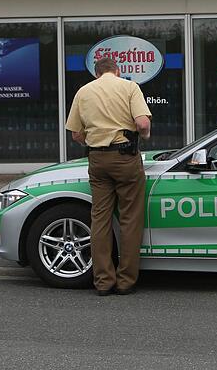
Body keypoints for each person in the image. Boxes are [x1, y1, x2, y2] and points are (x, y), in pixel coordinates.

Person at [64, 57, 152, 296]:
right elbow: (142, 123)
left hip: (97, 160)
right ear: (118, 70)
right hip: (125, 158)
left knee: (100, 219)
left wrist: (92, 140)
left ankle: (103, 281)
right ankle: (126, 281)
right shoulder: (129, 87)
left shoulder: (83, 92)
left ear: (96, 74)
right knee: (130, 219)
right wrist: (142, 136)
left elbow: (75, 134)